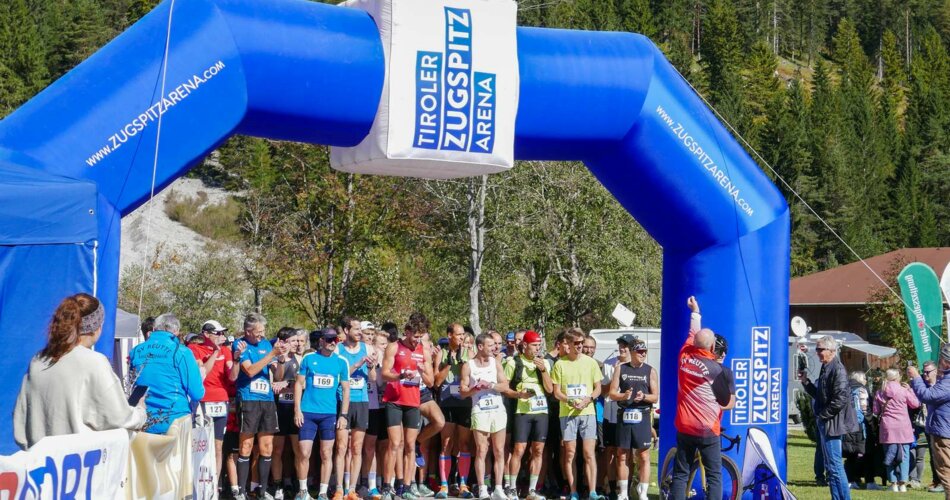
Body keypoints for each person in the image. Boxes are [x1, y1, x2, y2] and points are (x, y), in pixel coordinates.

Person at [14, 293, 146, 449]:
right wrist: (141, 412)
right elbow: (119, 418)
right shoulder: (94, 362)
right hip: (79, 466)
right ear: (97, 327)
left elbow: (21, 421)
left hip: (40, 466)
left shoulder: (39, 360)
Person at [670, 297, 732, 500]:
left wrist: (695, 311)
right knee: (714, 475)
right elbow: (726, 403)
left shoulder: (684, 356)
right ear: (713, 346)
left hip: (685, 426)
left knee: (680, 474)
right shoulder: (716, 369)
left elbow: (692, 334)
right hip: (707, 429)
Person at [234, 313, 289, 500]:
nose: (262, 335)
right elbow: (249, 370)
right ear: (248, 331)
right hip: (248, 398)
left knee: (267, 447)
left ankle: (262, 489)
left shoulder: (266, 344)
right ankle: (241, 490)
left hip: (267, 400)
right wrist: (272, 354)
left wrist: (280, 360)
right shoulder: (240, 345)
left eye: (264, 331)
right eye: (258, 332)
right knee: (247, 445)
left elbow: (279, 375)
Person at [380, 313, 433, 500]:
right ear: (407, 332)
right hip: (394, 401)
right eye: (415, 336)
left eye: (421, 337)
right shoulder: (394, 347)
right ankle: (387, 487)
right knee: (394, 444)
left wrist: (420, 371)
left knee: (411, 445)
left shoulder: (423, 351)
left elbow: (431, 381)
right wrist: (400, 376)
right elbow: (385, 374)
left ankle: (407, 486)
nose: (417, 341)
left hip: (413, 402)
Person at [294, 328, 352, 500]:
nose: (332, 342)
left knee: (326, 453)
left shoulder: (342, 361)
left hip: (329, 414)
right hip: (308, 412)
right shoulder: (309, 358)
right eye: (328, 339)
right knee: (304, 452)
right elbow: (298, 384)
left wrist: (344, 415)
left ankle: (322, 492)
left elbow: (346, 389)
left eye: (335, 339)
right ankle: (302, 491)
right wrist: (297, 409)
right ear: (321, 341)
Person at [800, 334, 858, 500]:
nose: (817, 353)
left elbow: (841, 398)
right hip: (827, 421)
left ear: (831, 350)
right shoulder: (826, 367)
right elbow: (820, 396)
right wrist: (806, 382)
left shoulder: (837, 369)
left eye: (820, 349)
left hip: (833, 423)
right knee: (831, 467)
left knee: (835, 466)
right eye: (816, 349)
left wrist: (822, 416)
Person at [129, 312, 205, 434]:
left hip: (142, 420)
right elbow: (197, 393)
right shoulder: (182, 352)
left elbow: (132, 385)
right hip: (174, 421)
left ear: (154, 328)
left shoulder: (136, 351)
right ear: (176, 331)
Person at [551, 328, 605, 500]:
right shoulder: (560, 364)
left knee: (589, 453)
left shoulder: (591, 363)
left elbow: (598, 388)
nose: (580, 346)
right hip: (567, 414)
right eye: (577, 343)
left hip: (588, 412)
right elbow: (556, 393)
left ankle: (592, 492)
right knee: (570, 453)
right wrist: (569, 400)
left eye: (582, 343)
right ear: (567, 343)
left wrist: (588, 399)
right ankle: (573, 491)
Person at [187, 319, 238, 495]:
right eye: (218, 333)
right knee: (201, 444)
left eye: (223, 333)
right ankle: (198, 482)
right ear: (206, 334)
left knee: (218, 446)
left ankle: (214, 485)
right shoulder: (195, 349)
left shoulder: (226, 351)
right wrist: (215, 353)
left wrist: (237, 361)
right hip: (202, 401)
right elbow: (202, 374)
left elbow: (232, 377)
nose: (222, 336)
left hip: (221, 400)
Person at [461, 332, 512, 500]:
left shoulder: (495, 363)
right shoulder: (468, 366)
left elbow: (505, 385)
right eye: (490, 346)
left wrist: (491, 385)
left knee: (499, 450)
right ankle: (483, 488)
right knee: (482, 450)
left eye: (495, 345)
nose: (494, 348)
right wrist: (475, 388)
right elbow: (463, 392)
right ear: (480, 346)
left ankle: (498, 488)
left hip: (498, 409)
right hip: (480, 410)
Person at [504, 330, 552, 500]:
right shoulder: (513, 362)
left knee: (538, 450)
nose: (537, 349)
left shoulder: (544, 362)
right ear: (525, 345)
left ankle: (532, 490)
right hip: (522, 410)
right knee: (519, 449)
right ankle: (511, 487)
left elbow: (550, 389)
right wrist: (519, 394)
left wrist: (544, 370)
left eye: (539, 345)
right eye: (534, 345)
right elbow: (504, 388)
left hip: (541, 411)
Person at [608, 336, 657, 500]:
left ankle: (642, 492)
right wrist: (624, 395)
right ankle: (623, 492)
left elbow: (655, 397)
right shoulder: (621, 368)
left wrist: (644, 396)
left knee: (643, 455)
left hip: (642, 415)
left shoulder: (650, 370)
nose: (643, 354)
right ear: (633, 352)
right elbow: (612, 393)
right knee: (622, 454)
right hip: (625, 414)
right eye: (640, 352)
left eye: (645, 352)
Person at [336, 317, 378, 500]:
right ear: (346, 330)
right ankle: (339, 488)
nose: (360, 333)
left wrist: (371, 367)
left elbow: (373, 378)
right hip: (342, 400)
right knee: (341, 447)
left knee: (357, 447)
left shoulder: (367, 348)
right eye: (356, 329)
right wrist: (358, 364)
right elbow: (339, 376)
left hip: (361, 400)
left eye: (361, 329)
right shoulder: (338, 349)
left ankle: (352, 490)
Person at [435, 323, 475, 499]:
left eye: (462, 335)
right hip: (446, 402)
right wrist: (449, 365)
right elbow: (436, 382)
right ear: (449, 335)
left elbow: (474, 376)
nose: (461, 337)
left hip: (464, 403)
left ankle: (463, 485)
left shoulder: (469, 353)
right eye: (458, 335)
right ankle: (444, 485)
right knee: (446, 443)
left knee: (464, 444)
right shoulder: (441, 353)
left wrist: (463, 360)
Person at [908, 344, 950, 499]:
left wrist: (916, 378)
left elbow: (928, 396)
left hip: (944, 433)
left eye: (941, 359)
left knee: (946, 472)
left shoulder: (948, 381)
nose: (939, 362)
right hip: (943, 429)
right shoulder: (945, 379)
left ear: (947, 361)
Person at [273, 327, 307, 499]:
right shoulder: (276, 358)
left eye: (298, 341)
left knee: (298, 450)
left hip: (296, 408)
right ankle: (278, 485)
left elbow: (304, 383)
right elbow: (276, 380)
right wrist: (281, 362)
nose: (296, 344)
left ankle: (301, 487)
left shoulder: (302, 359)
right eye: (293, 340)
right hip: (279, 408)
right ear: (285, 342)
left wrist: (288, 382)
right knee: (278, 450)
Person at [872, 368, 919, 491]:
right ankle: (902, 484)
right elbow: (915, 404)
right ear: (897, 377)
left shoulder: (879, 392)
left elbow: (876, 411)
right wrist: (910, 390)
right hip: (903, 426)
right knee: (904, 455)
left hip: (887, 427)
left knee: (889, 455)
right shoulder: (903, 390)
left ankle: (893, 484)